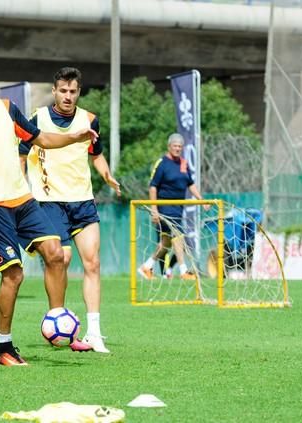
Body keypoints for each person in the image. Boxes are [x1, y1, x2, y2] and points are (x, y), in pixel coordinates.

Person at [0, 53, 98, 366]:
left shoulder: (7, 109)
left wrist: (74, 137)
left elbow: (41, 139)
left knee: (56, 253)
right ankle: (4, 348)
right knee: (14, 274)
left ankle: (59, 322)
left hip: (23, 200)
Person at [19, 67, 120, 353]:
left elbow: (96, 154)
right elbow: (22, 156)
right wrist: (21, 186)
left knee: (93, 263)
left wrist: (107, 175)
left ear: (78, 92)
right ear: (54, 91)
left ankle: (95, 333)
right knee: (61, 258)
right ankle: (57, 318)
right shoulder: (37, 119)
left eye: (73, 91)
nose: (68, 96)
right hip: (49, 201)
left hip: (83, 201)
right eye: (63, 91)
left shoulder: (89, 120)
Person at [137, 133, 209, 280]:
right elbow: (152, 187)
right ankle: (183, 271)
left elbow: (190, 184)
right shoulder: (162, 163)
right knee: (178, 236)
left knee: (166, 244)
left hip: (178, 208)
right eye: (175, 146)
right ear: (169, 146)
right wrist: (154, 210)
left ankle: (146, 266)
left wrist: (202, 200)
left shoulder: (183, 163)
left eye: (180, 147)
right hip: (164, 207)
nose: (177, 149)